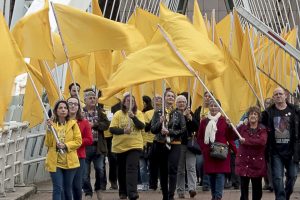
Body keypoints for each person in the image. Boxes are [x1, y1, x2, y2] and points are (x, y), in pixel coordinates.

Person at [262, 87, 300, 200]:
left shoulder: (295, 111)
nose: (278, 96)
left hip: (292, 151)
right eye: (276, 94)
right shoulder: (268, 112)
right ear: (273, 97)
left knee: (292, 176)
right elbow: (258, 123)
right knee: (277, 177)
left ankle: (286, 195)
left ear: (285, 95)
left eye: (280, 94)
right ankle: (281, 198)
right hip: (275, 152)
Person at [197, 99, 237, 200]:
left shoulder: (225, 120)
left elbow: (230, 136)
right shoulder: (204, 121)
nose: (213, 108)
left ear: (220, 108)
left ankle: (218, 197)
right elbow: (200, 138)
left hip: (221, 152)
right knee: (211, 175)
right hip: (209, 152)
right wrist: (204, 149)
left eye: (216, 106)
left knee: (220, 174)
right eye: (211, 105)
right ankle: (214, 196)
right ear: (208, 107)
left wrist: (230, 126)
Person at [151, 91, 186, 200]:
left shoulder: (179, 113)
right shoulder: (158, 112)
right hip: (161, 144)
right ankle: (165, 195)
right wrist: (159, 122)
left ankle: (171, 195)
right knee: (163, 169)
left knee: (173, 168)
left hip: (175, 144)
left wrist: (169, 132)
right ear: (164, 98)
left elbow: (183, 130)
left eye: (172, 96)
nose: (170, 97)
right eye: (168, 96)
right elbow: (153, 129)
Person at [109, 94, 145, 200]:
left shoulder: (138, 113)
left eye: (132, 101)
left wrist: (133, 117)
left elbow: (142, 126)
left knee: (131, 168)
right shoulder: (118, 114)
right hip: (120, 146)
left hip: (135, 145)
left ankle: (132, 193)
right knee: (121, 170)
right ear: (124, 103)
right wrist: (124, 131)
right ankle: (122, 192)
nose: (130, 102)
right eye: (128, 100)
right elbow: (112, 129)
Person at [45, 100, 82, 200]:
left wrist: (65, 145)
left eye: (65, 108)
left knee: (67, 189)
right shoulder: (52, 126)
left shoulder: (73, 124)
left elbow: (78, 141)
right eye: (60, 108)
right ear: (56, 111)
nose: (63, 110)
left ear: (68, 111)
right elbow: (48, 143)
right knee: (58, 188)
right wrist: (49, 130)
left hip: (70, 162)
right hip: (55, 162)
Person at [82, 89, 110, 200]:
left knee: (100, 169)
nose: (93, 100)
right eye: (90, 98)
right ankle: (88, 193)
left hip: (98, 146)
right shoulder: (81, 112)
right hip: (84, 147)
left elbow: (106, 125)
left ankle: (98, 188)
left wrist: (94, 124)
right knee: (85, 173)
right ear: (85, 100)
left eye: (94, 98)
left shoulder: (101, 112)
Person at [235, 106, 268, 200]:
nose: (252, 116)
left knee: (257, 191)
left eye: (255, 114)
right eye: (250, 114)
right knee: (244, 190)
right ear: (248, 116)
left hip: (257, 163)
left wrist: (246, 141)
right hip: (244, 162)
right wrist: (230, 125)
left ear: (258, 117)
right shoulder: (242, 128)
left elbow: (262, 141)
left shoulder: (262, 129)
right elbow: (231, 135)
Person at [67, 97, 93, 200]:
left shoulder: (84, 122)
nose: (73, 106)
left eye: (75, 104)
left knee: (77, 185)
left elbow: (89, 139)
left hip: (79, 156)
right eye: (70, 103)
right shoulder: (62, 121)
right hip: (65, 156)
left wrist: (74, 143)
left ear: (78, 107)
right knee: (65, 185)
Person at [176, 95, 198, 198]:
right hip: (178, 144)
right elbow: (175, 126)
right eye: (179, 102)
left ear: (186, 103)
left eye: (183, 102)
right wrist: (183, 117)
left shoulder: (190, 113)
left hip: (190, 144)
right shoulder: (174, 114)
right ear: (176, 104)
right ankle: (180, 191)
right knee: (180, 169)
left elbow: (197, 127)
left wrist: (191, 118)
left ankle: (192, 189)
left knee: (191, 167)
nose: (181, 104)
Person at [145, 95, 163, 191]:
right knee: (152, 164)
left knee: (163, 164)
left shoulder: (165, 112)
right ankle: (153, 184)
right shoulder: (148, 113)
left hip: (162, 140)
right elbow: (147, 128)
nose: (158, 100)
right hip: (150, 141)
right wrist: (155, 118)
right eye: (156, 99)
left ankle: (163, 183)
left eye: (160, 99)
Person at [138, 96, 154, 191]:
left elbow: (148, 128)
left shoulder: (150, 113)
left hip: (149, 142)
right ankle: (144, 183)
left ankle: (151, 183)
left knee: (150, 165)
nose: (142, 104)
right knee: (142, 166)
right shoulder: (137, 113)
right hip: (140, 142)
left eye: (144, 102)